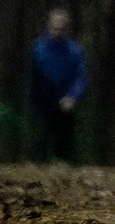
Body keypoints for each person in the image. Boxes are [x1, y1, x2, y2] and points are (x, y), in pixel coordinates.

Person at [28, 8, 88, 163]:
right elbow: (32, 76)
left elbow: (80, 77)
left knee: (63, 146)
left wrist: (72, 97)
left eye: (61, 28)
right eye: (55, 28)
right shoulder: (38, 49)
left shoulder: (75, 51)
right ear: (49, 26)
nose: (57, 32)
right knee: (40, 142)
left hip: (65, 104)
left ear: (67, 29)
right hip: (42, 103)